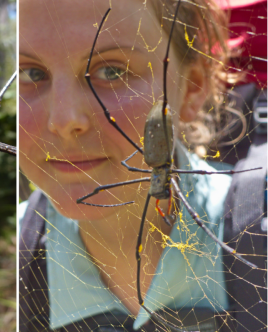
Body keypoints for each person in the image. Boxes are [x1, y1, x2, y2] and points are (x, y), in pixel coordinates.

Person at [18, 0, 265, 331]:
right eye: (31, 74)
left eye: (112, 71)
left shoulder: (253, 227)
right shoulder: (23, 245)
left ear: (191, 89)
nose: (64, 121)